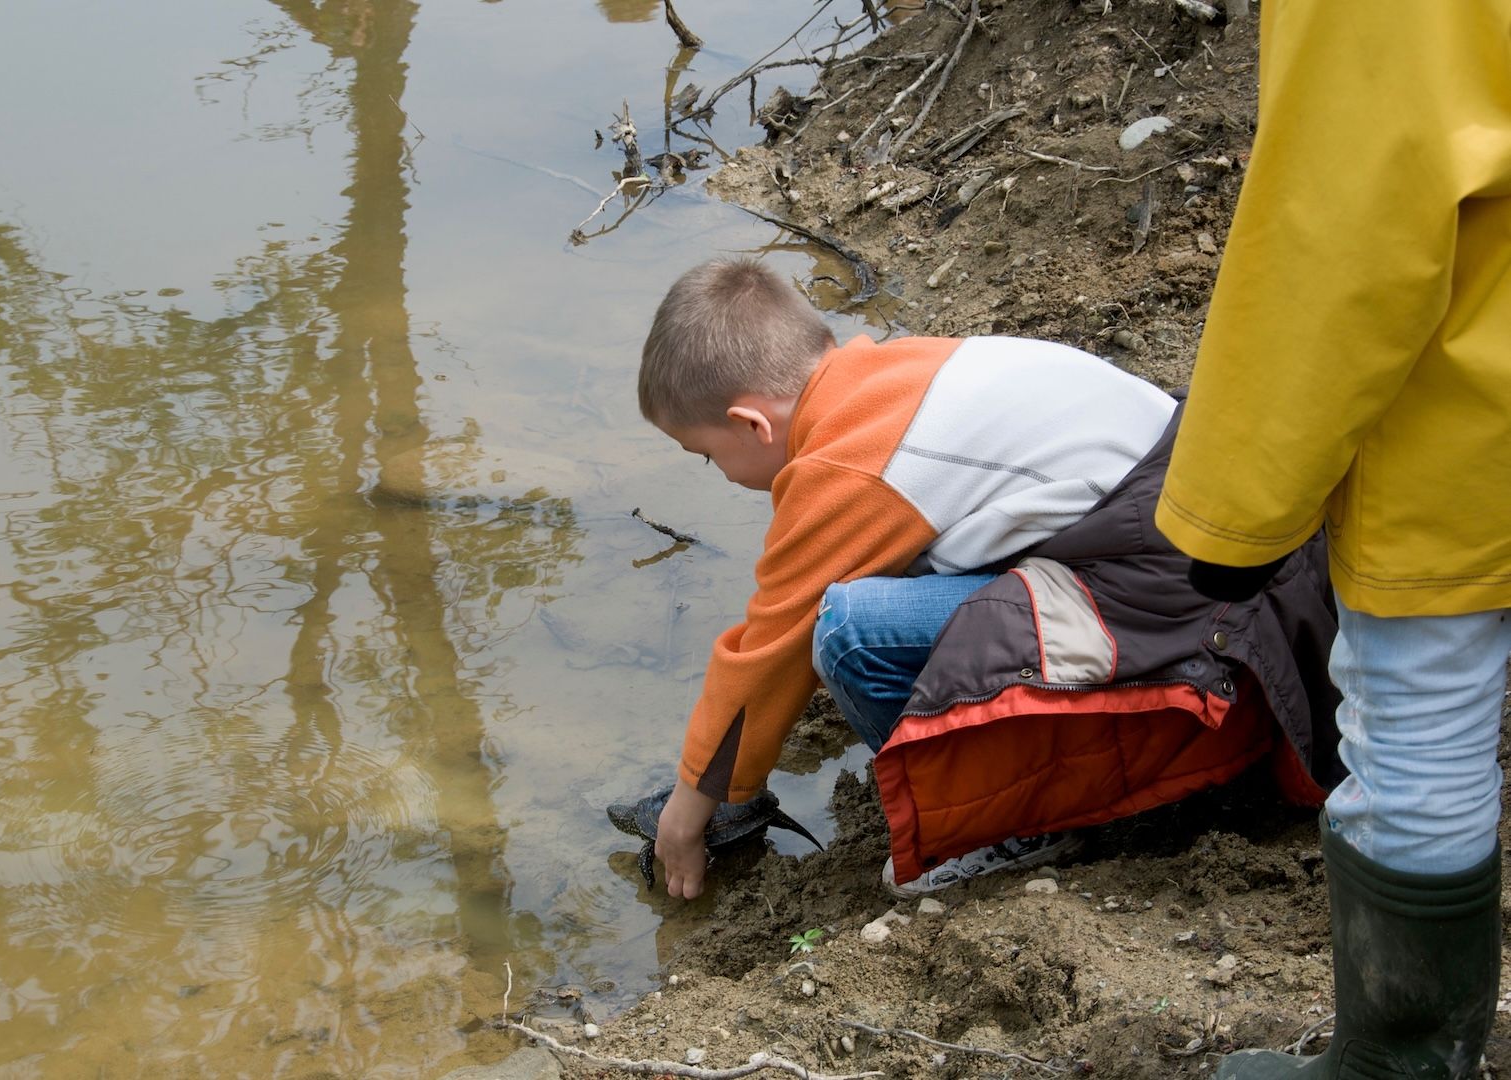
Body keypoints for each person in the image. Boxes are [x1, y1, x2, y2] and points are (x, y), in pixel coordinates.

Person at [638, 257, 1341, 901]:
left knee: (846, 629)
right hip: (1235, 555)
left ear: (752, 424)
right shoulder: (902, 372)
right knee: (897, 580)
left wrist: (688, 812)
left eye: (707, 456)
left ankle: (1004, 821)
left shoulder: (845, 467)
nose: (719, 475)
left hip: (1198, 620)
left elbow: (767, 653)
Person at [1153, 4, 1510, 1077]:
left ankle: (1402, 1062)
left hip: (1474, 407)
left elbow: (1348, 222)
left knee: (1420, 718)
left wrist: (1241, 507)